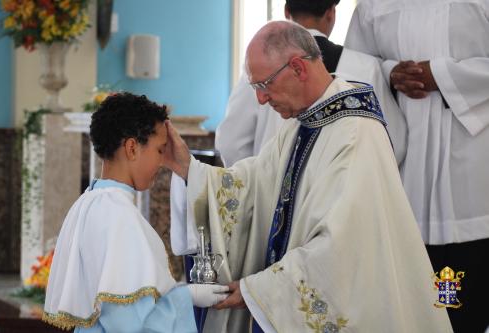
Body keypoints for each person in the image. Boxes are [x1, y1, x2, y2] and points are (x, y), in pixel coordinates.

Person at [165, 21, 452, 332]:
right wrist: (189, 169)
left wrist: (256, 290)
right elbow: (255, 183)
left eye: (264, 86)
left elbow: (341, 250)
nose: (261, 100)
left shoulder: (354, 134)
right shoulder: (306, 120)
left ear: (299, 68)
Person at [345, 1, 489, 331]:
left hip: (472, 168)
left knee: (464, 311)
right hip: (403, 164)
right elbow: (356, 66)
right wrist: (389, 72)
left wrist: (442, 75)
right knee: (407, 305)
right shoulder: (372, 5)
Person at [43, 93, 229, 332]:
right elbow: (127, 321)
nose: (162, 162)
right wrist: (187, 297)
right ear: (132, 148)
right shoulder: (119, 216)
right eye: (160, 150)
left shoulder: (89, 201)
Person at [215, 0, 407, 167]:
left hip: (277, 200)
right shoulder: (366, 67)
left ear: (286, 12)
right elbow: (394, 144)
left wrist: (260, 187)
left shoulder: (260, 68)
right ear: (331, 13)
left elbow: (231, 142)